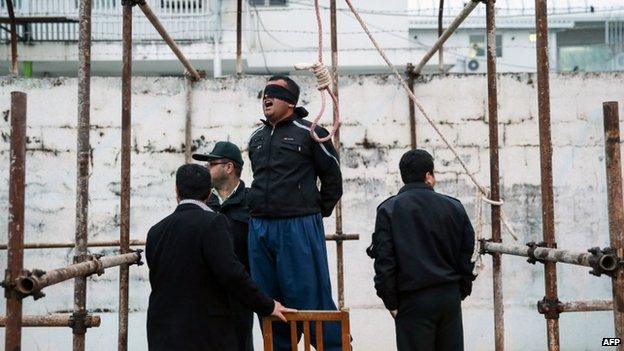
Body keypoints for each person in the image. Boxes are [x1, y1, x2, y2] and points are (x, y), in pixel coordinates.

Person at [146, 164, 295, 351]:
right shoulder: (213, 223)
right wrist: (268, 305)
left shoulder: (156, 231)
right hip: (205, 334)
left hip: (162, 333)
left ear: (176, 190)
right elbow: (231, 273)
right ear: (209, 193)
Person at [247, 75, 343, 350]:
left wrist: (315, 212)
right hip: (260, 227)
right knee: (268, 299)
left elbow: (333, 178)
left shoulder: (311, 132)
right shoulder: (256, 137)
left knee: (309, 294)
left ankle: (333, 346)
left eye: (274, 93)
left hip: (298, 227)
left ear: (290, 102)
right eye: (265, 93)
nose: (267, 97)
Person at [367, 149, 476, 351]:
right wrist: (460, 290)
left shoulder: (389, 210)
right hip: (449, 297)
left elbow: (385, 262)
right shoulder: (455, 207)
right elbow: (467, 253)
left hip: (413, 300)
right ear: (428, 175)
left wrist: (391, 301)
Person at [193, 141, 255, 351]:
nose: (206, 169)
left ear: (229, 167)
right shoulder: (203, 204)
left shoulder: (251, 201)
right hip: (206, 295)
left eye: (211, 164)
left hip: (239, 294)